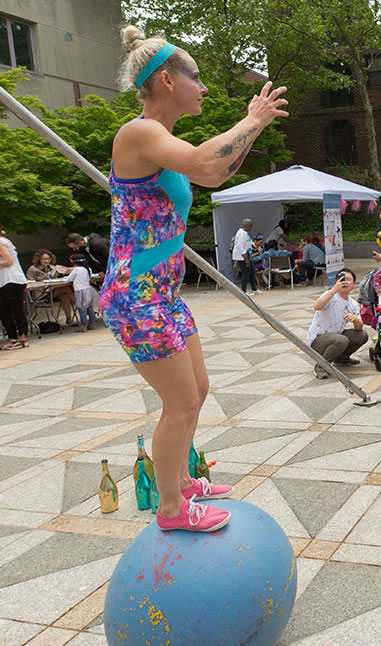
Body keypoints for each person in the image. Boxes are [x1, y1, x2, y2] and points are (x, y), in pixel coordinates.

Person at [100, 26, 287, 531]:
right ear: (165, 79)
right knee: (179, 403)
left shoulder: (166, 142)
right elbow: (207, 159)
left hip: (161, 295)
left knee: (198, 391)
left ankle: (182, 481)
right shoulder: (138, 133)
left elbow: (213, 173)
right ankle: (171, 511)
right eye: (196, 77)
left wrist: (253, 128)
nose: (203, 87)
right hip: (135, 298)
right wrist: (249, 120)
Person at [306, 268, 368, 377]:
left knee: (362, 335)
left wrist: (355, 319)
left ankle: (341, 358)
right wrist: (334, 289)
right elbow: (317, 306)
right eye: (342, 279)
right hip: (317, 339)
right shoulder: (330, 295)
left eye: (349, 279)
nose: (345, 282)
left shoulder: (352, 304)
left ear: (353, 283)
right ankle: (321, 365)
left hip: (336, 337)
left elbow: (359, 327)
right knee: (341, 340)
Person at [0, 224, 29, 350]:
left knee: (15, 310)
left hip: (11, 279)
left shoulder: (1, 242)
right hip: (7, 280)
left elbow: (8, 261)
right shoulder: (5, 240)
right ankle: (14, 338)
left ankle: (22, 338)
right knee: (3, 311)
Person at [27, 249, 75, 325]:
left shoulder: (52, 267)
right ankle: (80, 306)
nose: (46, 261)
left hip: (53, 290)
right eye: (44, 259)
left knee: (64, 296)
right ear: (39, 259)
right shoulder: (33, 269)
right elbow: (31, 283)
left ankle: (69, 319)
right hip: (42, 293)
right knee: (65, 289)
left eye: (48, 259)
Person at [68, 254, 99, 332]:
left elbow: (69, 279)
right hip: (88, 289)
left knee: (81, 308)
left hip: (79, 290)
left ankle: (83, 325)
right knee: (89, 307)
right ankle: (92, 324)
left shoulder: (76, 269)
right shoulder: (88, 269)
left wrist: (70, 272)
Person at [232, 218, 259, 295]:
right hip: (243, 256)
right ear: (250, 226)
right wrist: (246, 259)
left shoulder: (243, 232)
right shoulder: (242, 233)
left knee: (252, 272)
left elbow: (248, 242)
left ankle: (254, 288)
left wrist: (254, 246)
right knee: (246, 273)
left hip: (247, 254)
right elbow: (241, 246)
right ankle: (244, 290)